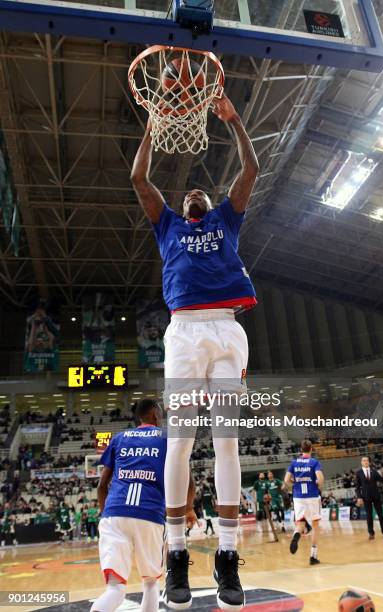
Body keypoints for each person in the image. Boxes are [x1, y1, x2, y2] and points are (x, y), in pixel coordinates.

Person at [131, 94, 259, 611]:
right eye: (188, 194)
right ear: (181, 209)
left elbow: (251, 168)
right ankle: (178, 554)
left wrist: (234, 121)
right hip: (183, 332)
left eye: (200, 191)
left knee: (227, 441)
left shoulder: (226, 220)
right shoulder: (169, 228)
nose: (194, 192)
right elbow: (140, 180)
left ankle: (227, 556)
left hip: (227, 332)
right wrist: (152, 122)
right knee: (180, 442)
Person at [91, 399, 195, 612]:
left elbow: (102, 486)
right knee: (150, 582)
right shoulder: (167, 438)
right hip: (149, 513)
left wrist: (106, 517)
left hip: (114, 514)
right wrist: (189, 508)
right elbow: (188, 480)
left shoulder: (119, 438)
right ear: (156, 414)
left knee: (115, 589)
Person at [284, 440, 324, 566]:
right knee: (315, 525)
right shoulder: (314, 462)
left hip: (298, 496)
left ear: (301, 449)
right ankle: (313, 555)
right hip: (312, 495)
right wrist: (317, 483)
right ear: (311, 449)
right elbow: (321, 479)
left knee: (300, 522)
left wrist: (295, 483)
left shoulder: (294, 463)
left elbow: (286, 480)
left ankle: (296, 535)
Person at [355, 456, 383, 540]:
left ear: (369, 462)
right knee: (369, 516)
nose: (366, 462)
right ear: (361, 462)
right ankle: (371, 533)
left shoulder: (374, 472)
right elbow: (357, 487)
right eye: (364, 460)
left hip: (376, 496)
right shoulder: (358, 473)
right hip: (366, 497)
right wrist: (359, 497)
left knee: (380, 515)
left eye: (367, 460)